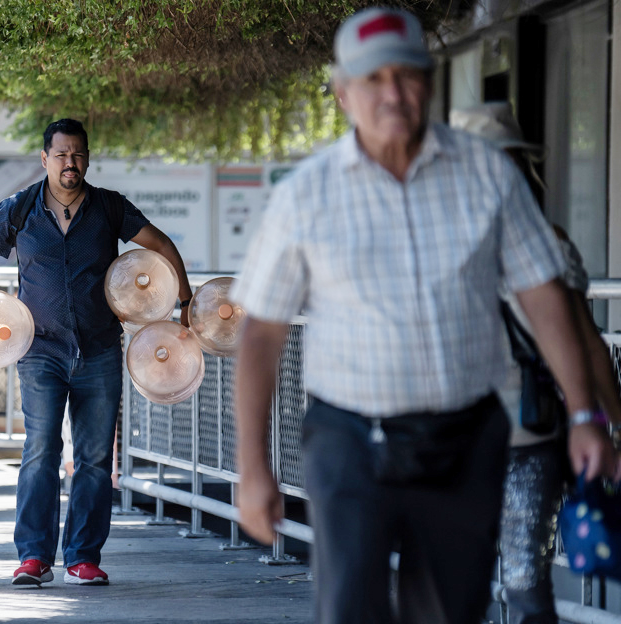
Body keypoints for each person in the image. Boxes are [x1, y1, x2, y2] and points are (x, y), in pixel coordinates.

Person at [230, 8, 620, 624]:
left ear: (430, 81)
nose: (393, 93)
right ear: (343, 94)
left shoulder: (488, 174)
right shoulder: (305, 195)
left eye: (408, 75)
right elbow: (261, 335)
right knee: (351, 607)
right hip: (351, 440)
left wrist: (584, 414)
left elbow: (546, 297)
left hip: (465, 437)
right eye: (374, 78)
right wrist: (253, 470)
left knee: (448, 611)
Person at [0, 118, 193, 586]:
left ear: (88, 158)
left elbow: (159, 244)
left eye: (77, 154)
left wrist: (185, 300)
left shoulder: (110, 207)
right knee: (40, 450)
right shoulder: (19, 209)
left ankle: (83, 556)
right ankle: (34, 557)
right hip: (39, 351)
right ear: (45, 159)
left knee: (96, 457)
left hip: (98, 349)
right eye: (60, 155)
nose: (69, 163)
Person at [451, 102, 621, 624]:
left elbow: (584, 344)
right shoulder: (547, 240)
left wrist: (602, 423)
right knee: (515, 580)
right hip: (495, 433)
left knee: (494, 580)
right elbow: (588, 343)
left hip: (490, 434)